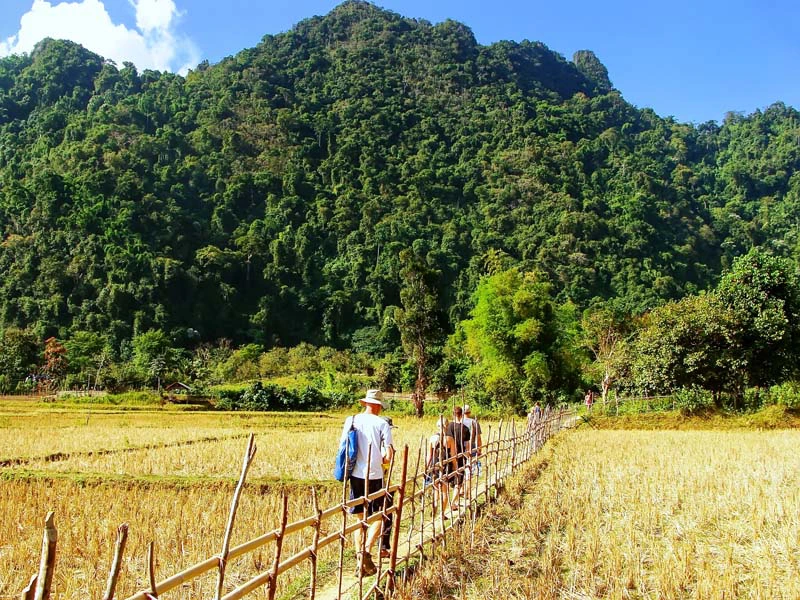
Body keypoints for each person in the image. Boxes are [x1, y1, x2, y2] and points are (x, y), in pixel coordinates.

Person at [340, 389, 394, 576]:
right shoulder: (382, 424)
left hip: (355, 475)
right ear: (378, 406)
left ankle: (358, 561)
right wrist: (384, 460)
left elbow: (344, 447)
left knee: (359, 519)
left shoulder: (351, 420)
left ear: (365, 404)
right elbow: (388, 455)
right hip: (375, 475)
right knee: (380, 514)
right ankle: (367, 551)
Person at [426, 416, 455, 512]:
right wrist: (455, 467)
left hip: (435, 464)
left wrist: (427, 467)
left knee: (436, 489)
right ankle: (442, 513)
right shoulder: (449, 439)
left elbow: (429, 456)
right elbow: (453, 455)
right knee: (444, 491)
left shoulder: (432, 438)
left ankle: (434, 509)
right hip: (445, 465)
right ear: (447, 426)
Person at [379, 416, 397, 559]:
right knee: (386, 515)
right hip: (381, 482)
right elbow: (386, 460)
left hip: (370, 479)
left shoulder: (369, 441)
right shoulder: (385, 445)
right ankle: (383, 547)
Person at [446, 406, 470, 510]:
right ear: (462, 415)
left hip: (448, 456)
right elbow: (467, 446)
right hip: (460, 456)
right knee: (458, 482)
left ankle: (447, 503)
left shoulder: (449, 427)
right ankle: (453, 502)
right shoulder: (465, 429)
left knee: (447, 480)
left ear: (453, 414)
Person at [461, 404, 483, 493]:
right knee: (470, 470)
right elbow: (478, 438)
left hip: (461, 448)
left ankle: (461, 489)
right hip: (472, 448)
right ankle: (467, 491)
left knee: (461, 469)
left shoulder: (459, 422)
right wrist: (479, 449)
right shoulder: (474, 422)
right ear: (469, 412)